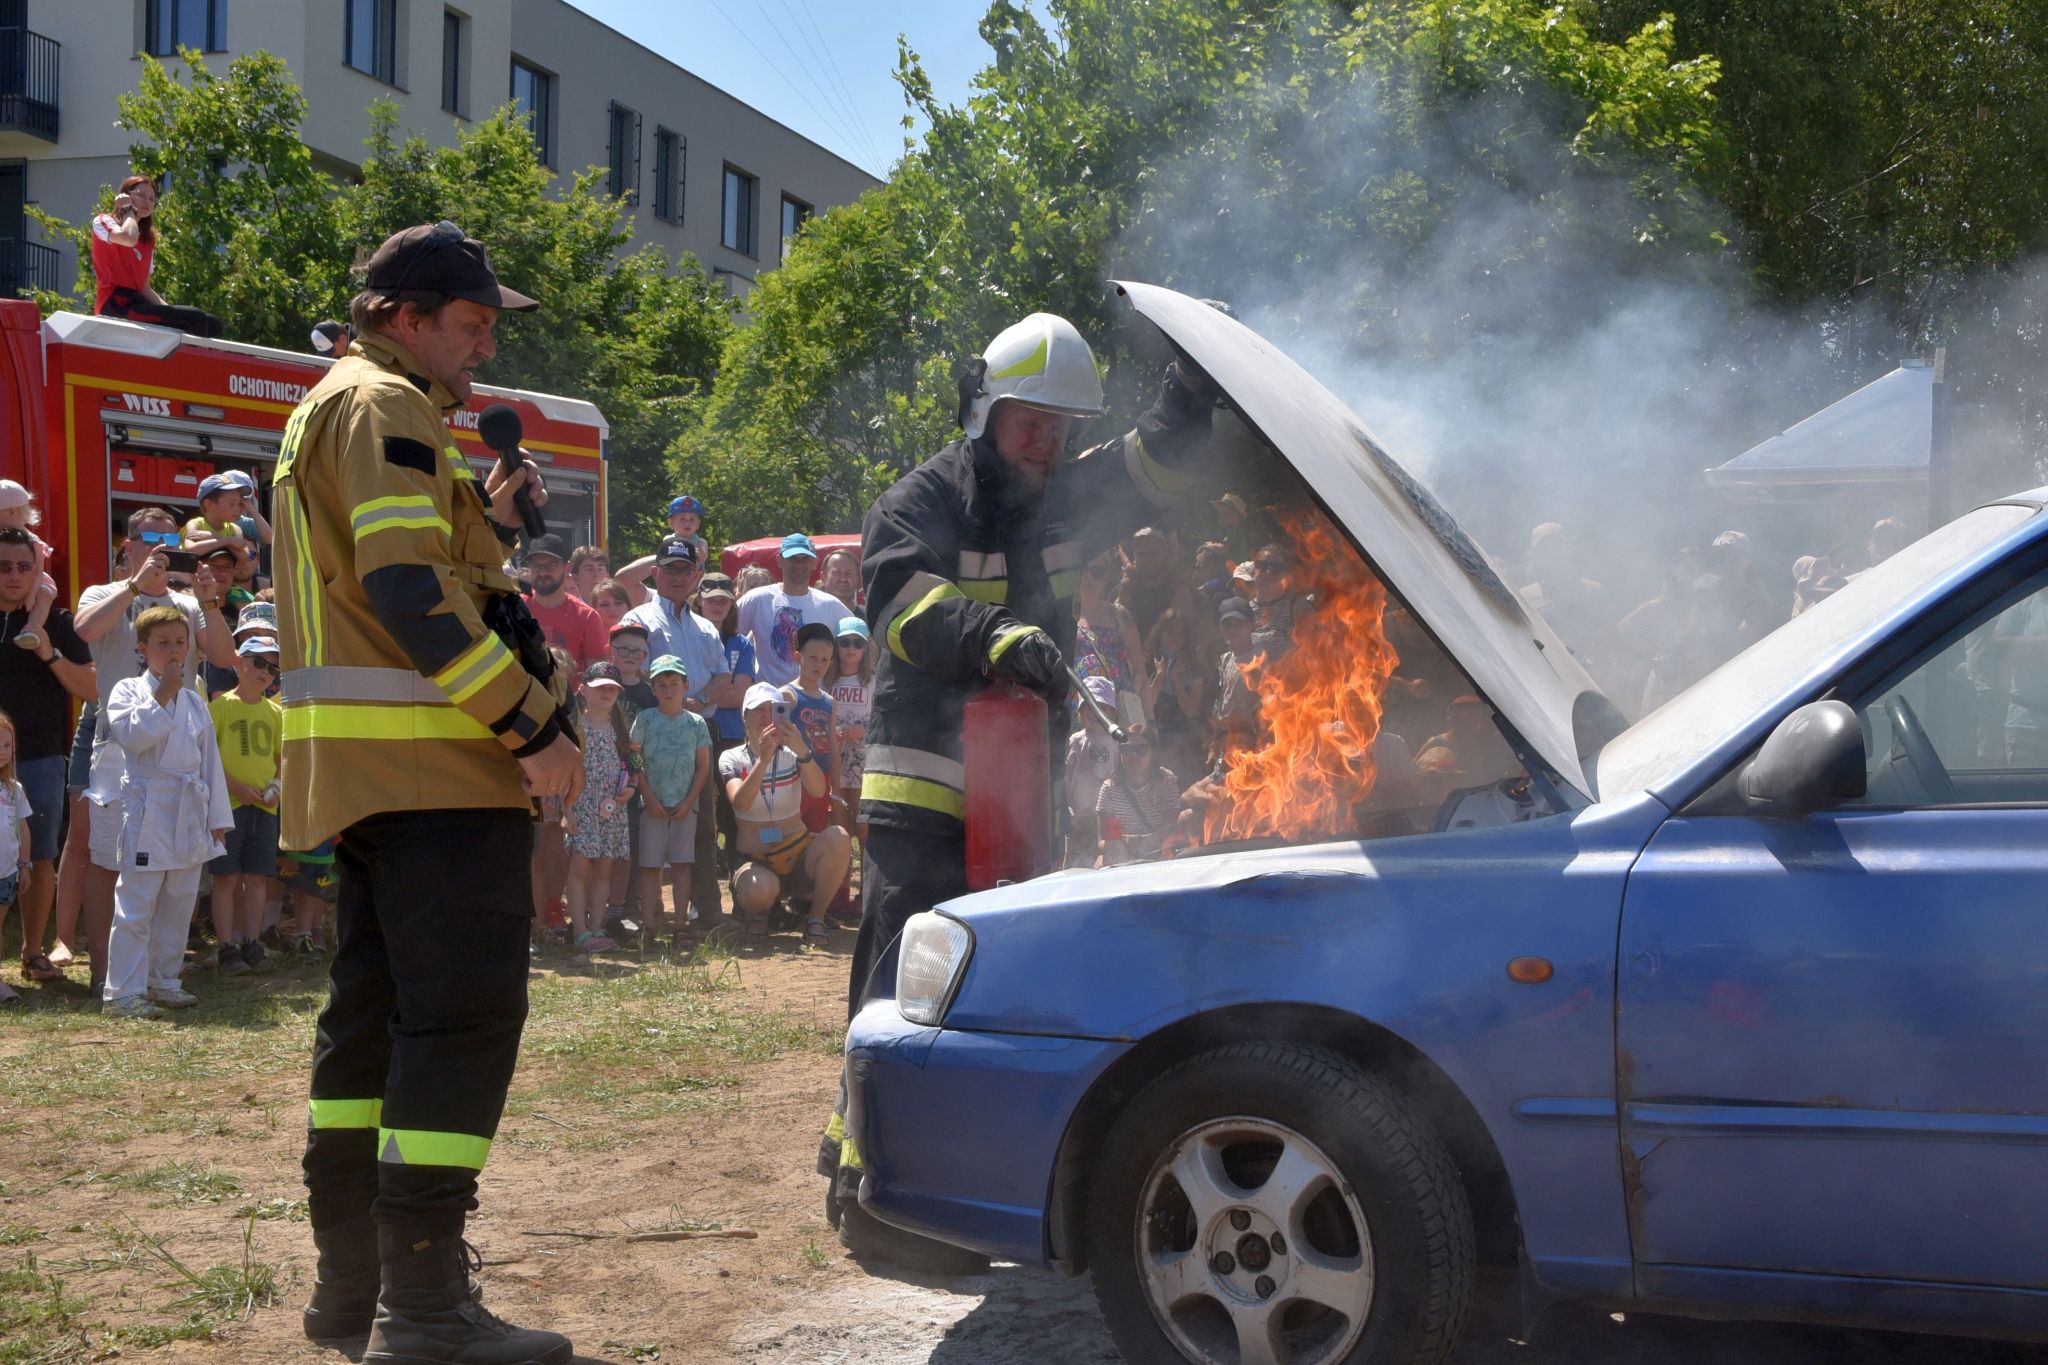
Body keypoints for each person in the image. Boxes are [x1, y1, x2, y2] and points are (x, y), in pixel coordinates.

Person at [825, 310, 1220, 1265]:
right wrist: (995, 635)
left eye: (1062, 426)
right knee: (903, 985)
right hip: (924, 784)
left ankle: (957, 1176)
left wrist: (1190, 387)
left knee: (993, 991)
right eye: (1030, 422)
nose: (1049, 443)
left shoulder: (1066, 499)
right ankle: (869, 1193)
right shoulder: (917, 501)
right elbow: (905, 607)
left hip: (1021, 789)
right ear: (985, 411)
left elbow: (1152, 469)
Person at [272, 221, 581, 1364]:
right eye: (469, 322)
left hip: (374, 778)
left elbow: (402, 574)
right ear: (404, 316)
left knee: (369, 1032)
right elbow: (407, 594)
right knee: (456, 1028)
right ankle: (426, 1309)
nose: (483, 345)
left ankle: (354, 1287)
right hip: (437, 770)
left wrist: (487, 527)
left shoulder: (352, 406)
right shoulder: (385, 407)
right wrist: (532, 724)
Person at [74, 508, 235, 994]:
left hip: (182, 795)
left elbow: (225, 659)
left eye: (170, 538)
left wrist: (207, 601)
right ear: (129, 546)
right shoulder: (107, 593)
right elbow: (83, 630)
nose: (161, 548)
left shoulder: (188, 615)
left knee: (179, 895)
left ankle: (162, 978)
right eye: (150, 539)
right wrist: (135, 584)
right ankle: (115, 980)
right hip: (126, 771)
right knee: (119, 878)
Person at [101, 605, 233, 1019]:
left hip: (189, 806)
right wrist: (163, 694)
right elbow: (132, 737)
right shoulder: (126, 690)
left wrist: (218, 819)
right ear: (143, 648)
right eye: (163, 643)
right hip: (147, 806)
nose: (174, 651)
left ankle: (163, 980)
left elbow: (209, 761)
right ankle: (122, 991)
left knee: (179, 900)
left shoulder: (194, 702)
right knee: (138, 902)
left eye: (181, 642)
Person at [620, 536, 734, 932]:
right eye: (669, 569)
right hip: (649, 732)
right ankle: (636, 911)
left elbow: (724, 674)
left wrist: (698, 701)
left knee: (701, 822)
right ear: (655, 572)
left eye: (685, 569)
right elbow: (625, 665)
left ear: (696, 575)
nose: (677, 576)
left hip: (696, 730)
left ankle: (706, 909)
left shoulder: (706, 625)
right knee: (641, 821)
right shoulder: (639, 618)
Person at [0, 527, 96, 988]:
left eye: (25, 566)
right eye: (5, 566)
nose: (15, 575)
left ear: (38, 570)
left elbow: (92, 688)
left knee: (40, 857)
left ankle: (33, 952)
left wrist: (49, 652)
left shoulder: (58, 622)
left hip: (40, 755)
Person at [722, 683, 850, 947]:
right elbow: (741, 803)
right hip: (757, 862)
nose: (765, 718)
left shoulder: (793, 756)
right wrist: (763, 761)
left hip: (797, 857)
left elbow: (817, 791)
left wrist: (803, 751)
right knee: (758, 888)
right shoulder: (731, 758)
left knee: (839, 837)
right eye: (757, 710)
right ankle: (759, 913)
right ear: (744, 717)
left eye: (773, 711)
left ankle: (815, 918)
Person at [208, 636, 283, 975]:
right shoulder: (221, 707)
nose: (265, 672)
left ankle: (252, 942)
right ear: (239, 663)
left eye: (272, 667)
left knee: (257, 877)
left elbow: (282, 759)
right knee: (226, 876)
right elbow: (206, 758)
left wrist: (276, 786)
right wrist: (235, 786)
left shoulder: (275, 712)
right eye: (258, 662)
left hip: (265, 809)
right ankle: (226, 945)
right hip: (229, 808)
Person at [632, 654, 714, 950]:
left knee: (682, 864)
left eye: (674, 684)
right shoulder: (645, 719)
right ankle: (649, 923)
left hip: (684, 806)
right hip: (651, 804)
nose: (669, 690)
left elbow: (703, 767)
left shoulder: (695, 723)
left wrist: (689, 800)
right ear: (653, 689)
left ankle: (680, 924)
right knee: (650, 866)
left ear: (686, 686)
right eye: (662, 684)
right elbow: (634, 758)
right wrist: (647, 795)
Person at [89, 173, 223, 336]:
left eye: (152, 199)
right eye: (141, 195)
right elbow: (129, 238)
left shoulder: (147, 241)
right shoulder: (103, 221)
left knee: (212, 323)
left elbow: (145, 289)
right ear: (125, 196)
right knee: (195, 318)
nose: (147, 202)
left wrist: (170, 312)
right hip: (114, 305)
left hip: (137, 303)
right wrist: (127, 210)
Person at [562, 663, 633, 956]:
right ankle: (579, 931)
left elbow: (633, 766)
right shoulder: (574, 728)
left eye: (612, 688)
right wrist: (567, 810)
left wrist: (631, 789)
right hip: (581, 806)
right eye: (600, 686)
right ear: (583, 688)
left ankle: (597, 927)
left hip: (613, 811)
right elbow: (565, 771)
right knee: (580, 869)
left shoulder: (622, 731)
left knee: (605, 870)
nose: (606, 692)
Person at [694, 573, 754, 871]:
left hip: (731, 735)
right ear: (699, 602)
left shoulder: (741, 644)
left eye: (723, 600)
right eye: (711, 599)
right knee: (701, 811)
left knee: (732, 811)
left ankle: (738, 878)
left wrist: (701, 696)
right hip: (692, 733)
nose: (717, 605)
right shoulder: (689, 636)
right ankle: (700, 885)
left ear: (732, 605)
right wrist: (719, 689)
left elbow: (740, 695)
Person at [737, 534, 851, 688]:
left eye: (805, 558)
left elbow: (865, 642)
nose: (799, 563)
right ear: (779, 560)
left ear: (815, 563)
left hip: (812, 701)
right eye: (792, 558)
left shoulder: (830, 605)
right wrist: (738, 679)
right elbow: (725, 636)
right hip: (768, 701)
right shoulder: (757, 599)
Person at [825, 617, 874, 917]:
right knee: (840, 830)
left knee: (864, 830)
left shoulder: (873, 682)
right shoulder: (827, 682)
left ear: (867, 647)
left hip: (865, 765)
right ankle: (839, 892)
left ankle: (866, 893)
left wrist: (863, 732)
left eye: (858, 643)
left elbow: (884, 720)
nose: (851, 649)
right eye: (845, 642)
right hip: (836, 764)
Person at [1073, 552, 1146, 723]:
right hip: (1076, 715)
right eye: (1081, 570)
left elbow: (1140, 671)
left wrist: (1149, 721)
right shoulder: (1062, 618)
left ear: (1107, 575)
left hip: (1119, 714)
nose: (1088, 577)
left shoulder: (1120, 615)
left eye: (1097, 571)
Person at [522, 534, 609, 675]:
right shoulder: (516, 607)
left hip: (567, 696)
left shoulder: (587, 617)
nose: (543, 572)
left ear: (567, 569)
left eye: (551, 565)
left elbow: (598, 674)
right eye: (536, 565)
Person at [1096, 723, 1181, 865]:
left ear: (1153, 752)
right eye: (1126, 749)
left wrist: (1144, 841)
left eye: (1140, 749)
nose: (1132, 755)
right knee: (1100, 863)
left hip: (1159, 854)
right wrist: (1120, 843)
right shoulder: (1109, 789)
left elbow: (1172, 828)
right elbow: (1101, 842)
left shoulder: (1166, 782)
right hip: (1123, 858)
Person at [785, 622, 841, 840]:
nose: (819, 664)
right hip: (793, 779)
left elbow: (834, 751)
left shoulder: (829, 701)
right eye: (813, 658)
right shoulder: (786, 695)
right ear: (798, 657)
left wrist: (836, 791)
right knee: (792, 838)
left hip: (823, 778)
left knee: (817, 836)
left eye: (825, 660)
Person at [1140, 606, 1207, 783]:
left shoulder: (1194, 666)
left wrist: (1177, 681)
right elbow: (1144, 708)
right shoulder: (1146, 662)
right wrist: (1160, 677)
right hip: (1153, 737)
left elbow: (1192, 711)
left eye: (1180, 634)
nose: (1174, 638)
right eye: (1170, 632)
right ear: (1160, 632)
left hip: (1182, 741)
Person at [1065, 676, 1122, 869]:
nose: (1092, 712)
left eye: (1100, 707)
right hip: (1080, 815)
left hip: (1107, 816)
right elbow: (1068, 775)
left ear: (1111, 713)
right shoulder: (1076, 740)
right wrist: (1067, 806)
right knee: (1076, 861)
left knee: (1104, 861)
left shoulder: (1116, 741)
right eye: (1087, 706)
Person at [0, 481, 60, 653]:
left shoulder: (33, 542)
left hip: (36, 581)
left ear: (12, 512)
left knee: (45, 594)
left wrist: (32, 594)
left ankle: (32, 629)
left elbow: (39, 570)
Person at [0, 711, 30, 1004]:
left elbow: (23, 828)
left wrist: (25, 865)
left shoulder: (14, 790)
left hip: (6, 873)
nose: (2, 752)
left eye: (7, 745)